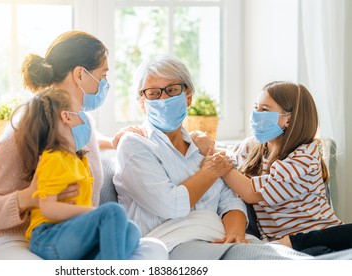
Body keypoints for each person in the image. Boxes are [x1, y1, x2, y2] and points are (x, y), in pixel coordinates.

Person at [113, 54, 352, 260]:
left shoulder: (303, 157)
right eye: (153, 93)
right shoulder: (137, 144)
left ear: (188, 96)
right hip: (176, 242)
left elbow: (235, 195)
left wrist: (235, 231)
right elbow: (174, 203)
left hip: (310, 234)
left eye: (172, 90)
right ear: (142, 103)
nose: (164, 99)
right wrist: (212, 166)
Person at [0, 30, 167, 260]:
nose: (106, 83)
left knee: (154, 249)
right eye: (103, 74)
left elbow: (84, 142)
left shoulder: (82, 125)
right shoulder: (26, 128)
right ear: (79, 75)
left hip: (78, 233)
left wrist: (115, 141)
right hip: (23, 238)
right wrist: (30, 197)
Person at [10, 87, 140, 260]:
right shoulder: (53, 158)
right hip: (48, 236)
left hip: (71, 232)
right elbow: (48, 208)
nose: (85, 118)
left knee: (132, 230)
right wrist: (91, 212)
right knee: (113, 212)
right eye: (80, 112)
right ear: (67, 117)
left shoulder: (79, 159)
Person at [223, 81, 352, 255]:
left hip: (321, 238)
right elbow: (224, 155)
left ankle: (292, 242)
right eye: (256, 107)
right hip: (283, 244)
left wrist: (219, 165)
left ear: (288, 119)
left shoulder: (304, 158)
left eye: (265, 110)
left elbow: (251, 193)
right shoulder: (253, 148)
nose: (256, 115)